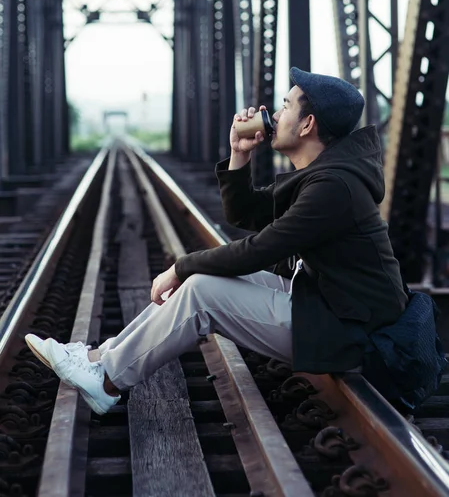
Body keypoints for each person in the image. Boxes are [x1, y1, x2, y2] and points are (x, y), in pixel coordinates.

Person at [26, 68, 409, 416]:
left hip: (355, 335)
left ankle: (106, 381)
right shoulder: (323, 175)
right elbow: (247, 213)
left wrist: (181, 266)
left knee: (201, 290)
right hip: (331, 307)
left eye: (285, 106)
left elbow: (261, 248)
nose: (274, 116)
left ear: (307, 124)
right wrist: (238, 155)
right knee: (200, 281)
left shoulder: (333, 188)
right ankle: (97, 359)